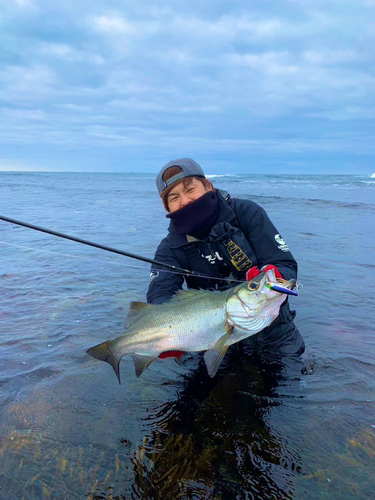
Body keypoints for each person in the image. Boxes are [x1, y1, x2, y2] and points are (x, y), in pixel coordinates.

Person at [147, 158, 305, 367]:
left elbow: (283, 263)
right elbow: (160, 294)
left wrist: (272, 274)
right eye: (174, 197)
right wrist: (167, 333)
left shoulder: (246, 213)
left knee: (292, 393)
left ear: (208, 186)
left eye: (190, 189)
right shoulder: (169, 248)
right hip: (210, 339)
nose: (184, 201)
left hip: (274, 333)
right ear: (166, 206)